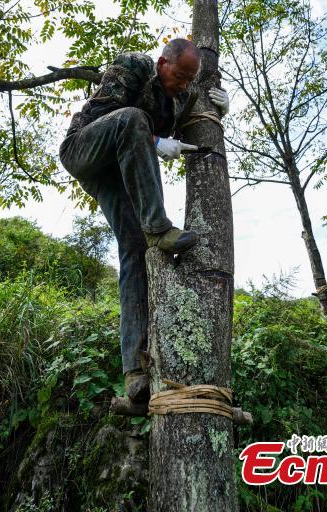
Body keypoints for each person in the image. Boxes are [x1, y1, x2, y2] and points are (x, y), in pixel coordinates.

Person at [59, 39, 229, 402]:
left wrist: (221, 113)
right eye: (179, 76)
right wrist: (154, 140)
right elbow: (109, 114)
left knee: (134, 251)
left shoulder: (182, 100)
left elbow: (189, 131)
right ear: (162, 62)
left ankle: (134, 372)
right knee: (135, 119)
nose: (183, 85)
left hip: (116, 175)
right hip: (84, 150)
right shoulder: (133, 66)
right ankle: (158, 227)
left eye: (189, 80)